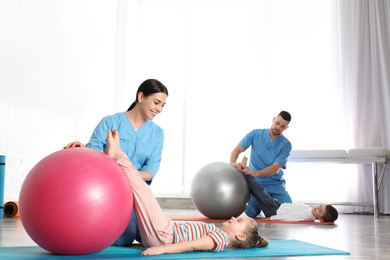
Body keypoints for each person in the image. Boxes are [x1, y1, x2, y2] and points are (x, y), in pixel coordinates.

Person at [105, 129, 269, 255]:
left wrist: (162, 249)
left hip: (165, 237)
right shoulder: (219, 234)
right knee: (140, 196)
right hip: (163, 233)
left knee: (142, 191)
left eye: (239, 222)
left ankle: (118, 154)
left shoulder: (221, 239)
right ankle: (116, 156)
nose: (234, 218)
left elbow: (190, 245)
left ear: (240, 237)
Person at [64, 79, 168, 246]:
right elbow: (93, 155)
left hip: (138, 197)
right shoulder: (110, 122)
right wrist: (80, 148)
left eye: (163, 105)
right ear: (141, 97)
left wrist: (126, 173)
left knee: (157, 234)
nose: (160, 109)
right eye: (156, 103)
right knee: (125, 237)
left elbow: (150, 171)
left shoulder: (157, 133)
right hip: (110, 194)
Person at [230, 111, 292, 218]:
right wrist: (233, 164)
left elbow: (275, 168)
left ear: (286, 128)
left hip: (275, 184)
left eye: (282, 126)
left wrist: (254, 173)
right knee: (251, 212)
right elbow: (237, 150)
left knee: (289, 210)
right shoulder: (255, 134)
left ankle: (268, 205)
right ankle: (267, 206)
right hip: (256, 184)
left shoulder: (286, 145)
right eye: (277, 123)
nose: (278, 127)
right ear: (273, 119)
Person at [241, 172, 338, 222]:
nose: (318, 208)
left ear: (321, 219)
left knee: (259, 191)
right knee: (260, 191)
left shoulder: (306, 215)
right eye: (321, 206)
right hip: (277, 206)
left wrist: (271, 218)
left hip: (274, 211)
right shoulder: (309, 212)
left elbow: (290, 217)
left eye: (320, 211)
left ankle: (244, 173)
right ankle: (246, 175)